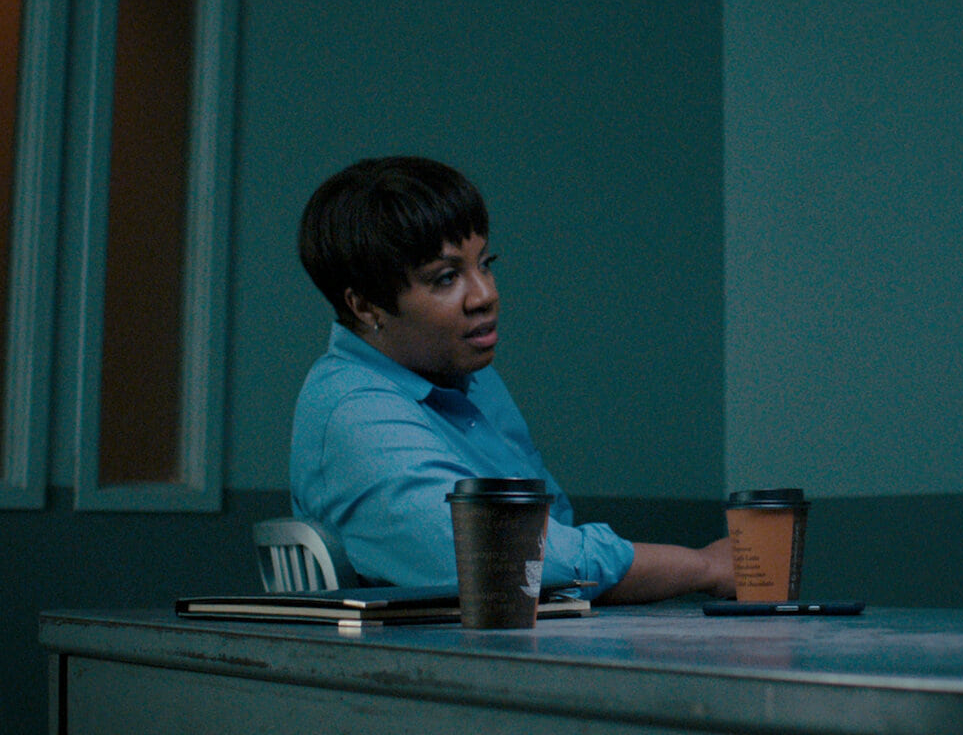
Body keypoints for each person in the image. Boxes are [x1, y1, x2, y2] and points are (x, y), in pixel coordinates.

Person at [289, 156, 734, 603]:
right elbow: (505, 558)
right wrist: (706, 567)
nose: (486, 295)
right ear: (366, 306)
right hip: (441, 646)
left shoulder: (468, 374)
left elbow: (552, 532)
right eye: (446, 278)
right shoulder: (354, 412)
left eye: (485, 263)